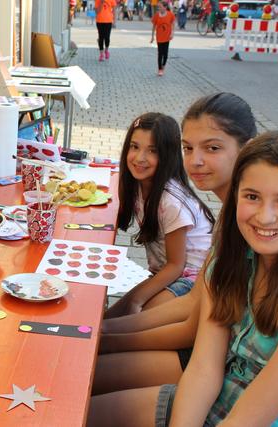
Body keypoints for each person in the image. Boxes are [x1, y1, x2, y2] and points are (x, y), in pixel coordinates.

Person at [94, 93, 257, 396]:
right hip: (207, 354)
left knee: (85, 373)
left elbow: (196, 326)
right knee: (88, 359)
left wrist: (110, 336)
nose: (195, 161)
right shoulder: (228, 219)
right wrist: (105, 329)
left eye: (212, 148)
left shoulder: (249, 225)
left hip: (222, 371)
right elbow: (195, 304)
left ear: (247, 149)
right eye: (188, 148)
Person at [167, 131, 278, 426]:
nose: (265, 217)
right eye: (252, 197)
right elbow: (204, 368)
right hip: (222, 401)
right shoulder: (232, 262)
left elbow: (247, 420)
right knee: (94, 404)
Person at [108, 112, 214, 317]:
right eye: (134, 146)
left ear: (168, 155)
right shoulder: (138, 184)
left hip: (192, 280)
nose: (140, 158)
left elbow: (176, 265)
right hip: (167, 274)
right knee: (105, 319)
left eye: (152, 150)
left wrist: (137, 299)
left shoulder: (171, 203)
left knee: (121, 325)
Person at [151, 0, 176, 76]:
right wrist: (152, 36)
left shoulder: (170, 15)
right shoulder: (156, 15)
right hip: (159, 37)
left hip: (167, 37)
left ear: (165, 7)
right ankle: (160, 69)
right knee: (160, 53)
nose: (159, 8)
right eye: (158, 7)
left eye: (160, 7)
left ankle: (163, 65)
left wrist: (172, 33)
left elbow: (173, 24)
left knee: (165, 54)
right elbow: (154, 26)